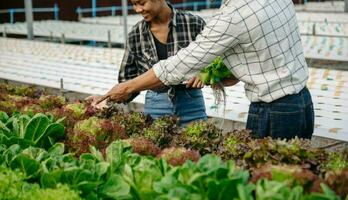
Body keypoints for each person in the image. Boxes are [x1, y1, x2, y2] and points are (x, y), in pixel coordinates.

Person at [94, 0, 315, 140]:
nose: (138, 9)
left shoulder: (230, 16)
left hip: (274, 110)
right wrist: (115, 95)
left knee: (268, 184)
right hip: (302, 102)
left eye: (141, 2)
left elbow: (181, 65)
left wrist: (128, 86)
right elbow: (245, 62)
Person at [92, 0, 208, 126]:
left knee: (197, 143)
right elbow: (128, 83)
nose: (137, 9)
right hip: (156, 106)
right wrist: (105, 98)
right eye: (134, 4)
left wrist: (203, 73)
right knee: (156, 145)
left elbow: (216, 60)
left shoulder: (194, 24)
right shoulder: (136, 34)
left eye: (141, 3)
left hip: (191, 104)